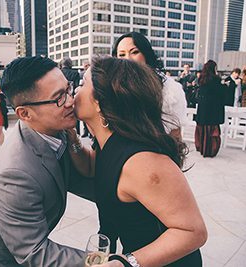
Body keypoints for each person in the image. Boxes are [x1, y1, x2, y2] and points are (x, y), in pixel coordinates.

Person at [73, 56, 206, 267]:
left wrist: (127, 262)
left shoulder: (143, 162)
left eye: (83, 84)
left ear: (99, 101)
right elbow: (94, 168)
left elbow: (193, 232)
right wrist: (71, 137)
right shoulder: (109, 142)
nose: (75, 92)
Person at [0, 56, 97, 266]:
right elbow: (36, 253)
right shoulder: (13, 175)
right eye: (59, 98)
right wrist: (104, 262)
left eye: (68, 89)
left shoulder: (54, 128)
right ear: (25, 113)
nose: (71, 101)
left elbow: (77, 178)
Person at [112, 32, 188, 141]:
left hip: (157, 152)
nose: (128, 59)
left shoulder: (169, 89)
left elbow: (175, 135)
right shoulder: (110, 86)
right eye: (122, 55)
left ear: (146, 54)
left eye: (134, 52)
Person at [194, 60, 225, 157]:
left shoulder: (201, 79)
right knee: (212, 130)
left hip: (203, 109)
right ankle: (210, 150)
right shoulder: (216, 80)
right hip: (213, 110)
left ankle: (202, 148)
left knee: (203, 129)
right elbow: (221, 96)